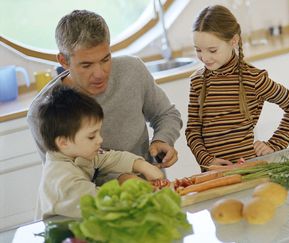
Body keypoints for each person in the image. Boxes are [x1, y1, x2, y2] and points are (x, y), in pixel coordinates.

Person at [27, 10, 182, 168]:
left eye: (105, 59)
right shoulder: (41, 113)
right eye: (86, 65)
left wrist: (162, 139)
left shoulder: (132, 69)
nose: (100, 74)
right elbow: (59, 178)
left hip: (154, 186)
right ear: (63, 61)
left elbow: (166, 114)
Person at [185, 5, 289, 168]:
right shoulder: (197, 81)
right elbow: (193, 130)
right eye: (198, 50)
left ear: (234, 41)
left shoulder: (253, 78)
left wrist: (274, 146)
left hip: (250, 170)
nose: (204, 57)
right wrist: (206, 159)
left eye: (212, 50)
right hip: (212, 174)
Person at [36, 86, 164, 219]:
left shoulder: (75, 153)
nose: (100, 140)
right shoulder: (63, 181)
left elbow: (109, 157)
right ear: (63, 142)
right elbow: (101, 203)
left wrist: (142, 165)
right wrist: (133, 191)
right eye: (92, 136)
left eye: (99, 132)